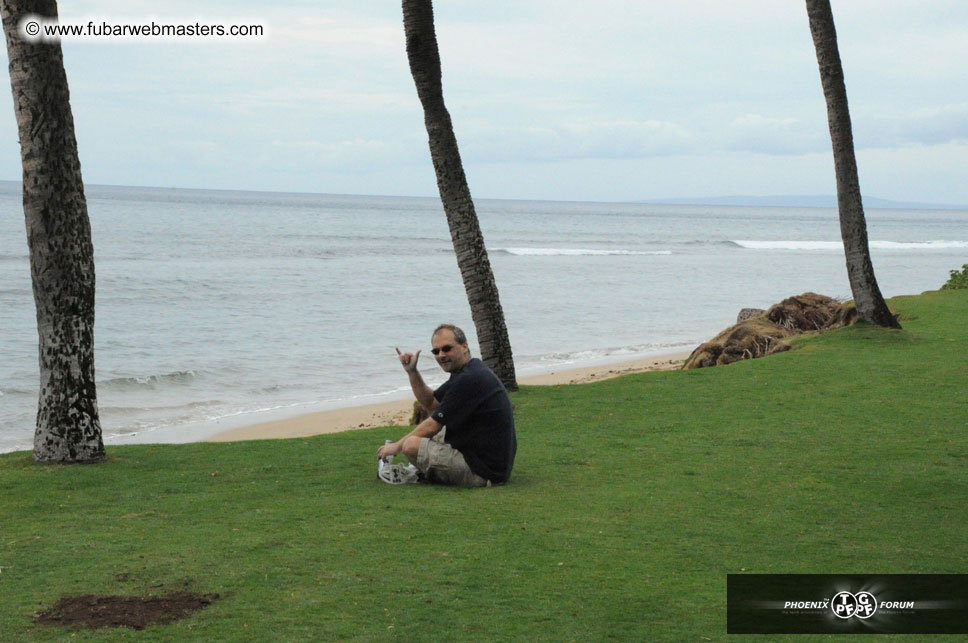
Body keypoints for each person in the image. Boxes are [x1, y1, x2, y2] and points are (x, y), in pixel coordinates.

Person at [377, 324, 516, 487]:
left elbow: (433, 425)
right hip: (490, 465)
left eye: (447, 349)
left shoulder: (469, 378)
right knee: (436, 432)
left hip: (482, 472)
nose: (441, 355)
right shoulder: (469, 371)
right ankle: (421, 469)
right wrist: (412, 371)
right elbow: (431, 402)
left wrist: (397, 447)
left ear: (465, 346)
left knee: (411, 445)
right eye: (436, 351)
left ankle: (419, 474)